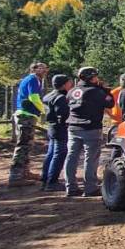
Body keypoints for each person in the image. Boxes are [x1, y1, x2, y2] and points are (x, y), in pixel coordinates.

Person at [63, 66, 114, 197]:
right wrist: (104, 89)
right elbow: (110, 103)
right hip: (90, 128)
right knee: (90, 158)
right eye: (96, 76)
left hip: (73, 127)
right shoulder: (95, 91)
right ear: (91, 77)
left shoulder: (72, 91)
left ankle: (70, 187)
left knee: (71, 157)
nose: (97, 79)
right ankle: (90, 188)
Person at [8, 62, 48, 187]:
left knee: (27, 144)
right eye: (40, 68)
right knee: (23, 145)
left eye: (45, 68)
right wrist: (45, 111)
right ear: (33, 69)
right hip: (25, 115)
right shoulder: (32, 79)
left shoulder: (35, 80)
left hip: (28, 115)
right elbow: (34, 98)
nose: (44, 70)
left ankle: (25, 172)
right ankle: (15, 176)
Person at [39, 74, 73, 192]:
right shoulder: (61, 98)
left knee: (51, 153)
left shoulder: (48, 96)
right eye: (69, 82)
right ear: (64, 84)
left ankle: (44, 179)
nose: (71, 84)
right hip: (60, 129)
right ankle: (52, 182)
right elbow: (63, 115)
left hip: (51, 127)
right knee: (59, 154)